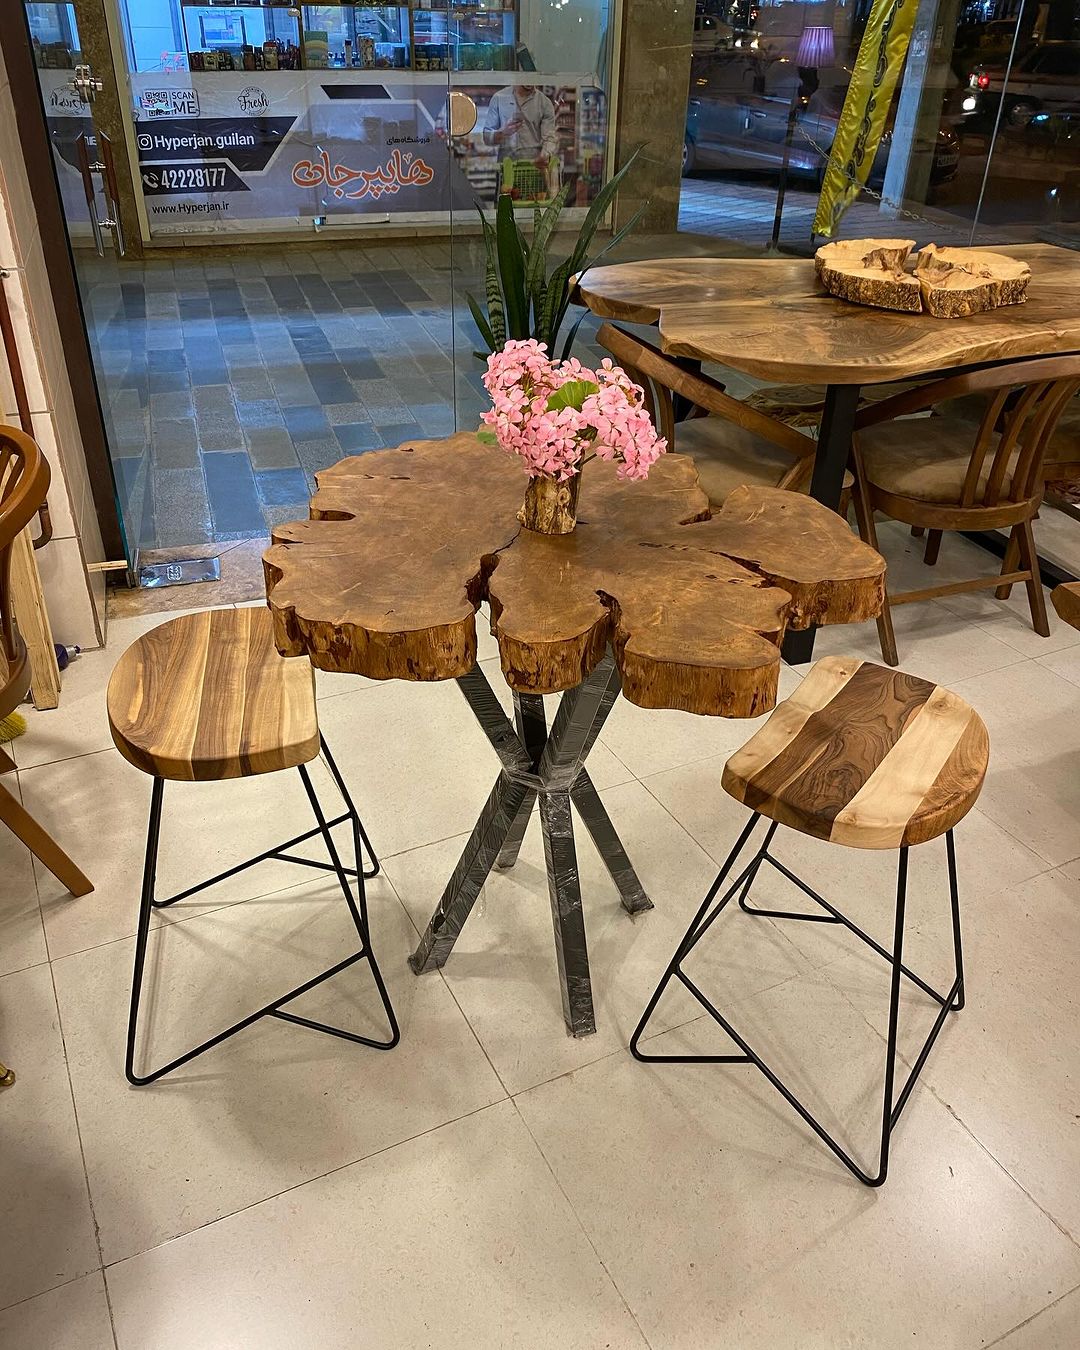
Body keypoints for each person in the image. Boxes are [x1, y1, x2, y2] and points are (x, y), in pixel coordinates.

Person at [483, 84, 558, 167]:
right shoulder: (499, 98)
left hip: (533, 169)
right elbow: (486, 138)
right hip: (506, 168)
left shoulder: (545, 103)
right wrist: (503, 133)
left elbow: (549, 138)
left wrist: (545, 155)